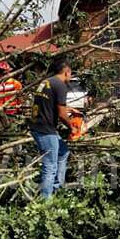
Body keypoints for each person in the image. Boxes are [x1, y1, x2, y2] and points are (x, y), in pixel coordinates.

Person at [29, 58, 79, 198]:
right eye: (71, 74)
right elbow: (62, 115)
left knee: (63, 152)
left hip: (37, 126)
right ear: (66, 72)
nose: (71, 76)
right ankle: (47, 201)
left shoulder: (47, 82)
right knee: (49, 166)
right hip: (45, 131)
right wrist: (72, 127)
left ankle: (57, 187)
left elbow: (50, 104)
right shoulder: (61, 85)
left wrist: (69, 109)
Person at [0, 61, 23, 129]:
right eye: (0, 73)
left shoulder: (15, 83)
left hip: (12, 112)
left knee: (13, 131)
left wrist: (19, 107)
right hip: (0, 113)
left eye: (5, 73)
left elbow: (20, 98)